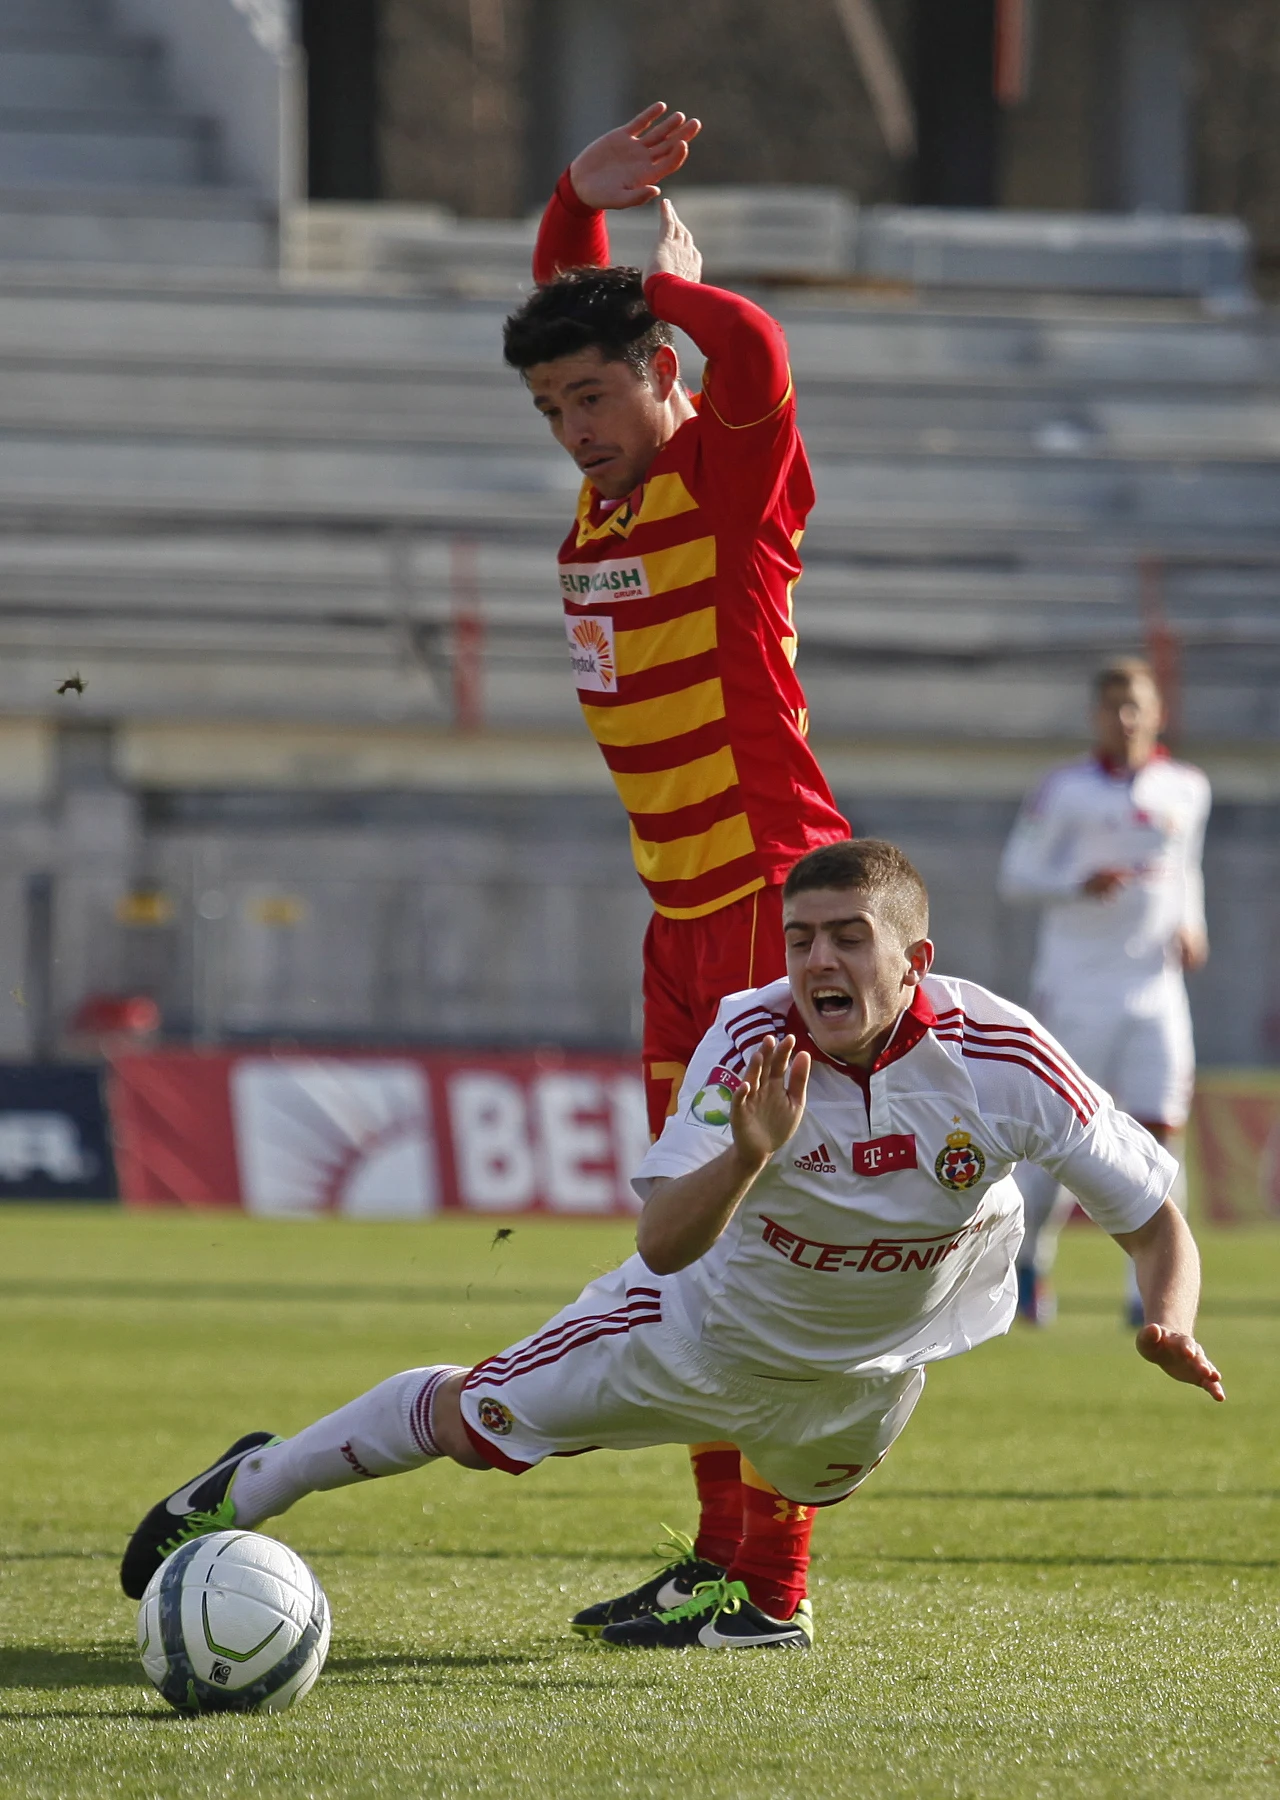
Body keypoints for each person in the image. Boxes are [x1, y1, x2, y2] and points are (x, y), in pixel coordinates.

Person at [121, 840, 1223, 1652]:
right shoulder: (749, 1038)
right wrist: (748, 1155)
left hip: (867, 1377)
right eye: (800, 939)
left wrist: (1167, 1315)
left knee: (791, 1517)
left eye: (847, 937)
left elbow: (1150, 1222)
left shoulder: (1005, 1060)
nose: (816, 961)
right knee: (471, 1427)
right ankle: (253, 1484)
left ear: (913, 959)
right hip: (691, 1331)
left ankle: (752, 1610)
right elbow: (661, 1243)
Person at [500, 103, 850, 1629]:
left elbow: (759, 358)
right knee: (697, 1256)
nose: (573, 427)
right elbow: (575, 315)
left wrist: (671, 296)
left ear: (662, 376)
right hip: (680, 928)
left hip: (781, 918)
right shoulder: (612, 494)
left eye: (596, 393)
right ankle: (727, 1560)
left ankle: (769, 1581)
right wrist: (573, 209)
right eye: (550, 409)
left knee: (761, 1254)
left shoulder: (724, 475)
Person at [998, 659, 1211, 1326]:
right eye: (1112, 708)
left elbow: (1186, 869)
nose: (1124, 720)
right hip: (1077, 990)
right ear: (1096, 717)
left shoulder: (1187, 787)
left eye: (1135, 707)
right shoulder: (1063, 791)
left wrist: (1192, 925)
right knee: (1066, 1139)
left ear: (1157, 713)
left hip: (1157, 989)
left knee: (1158, 1135)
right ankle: (1031, 1258)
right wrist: (1076, 882)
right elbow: (1017, 874)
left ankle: (1145, 1294)